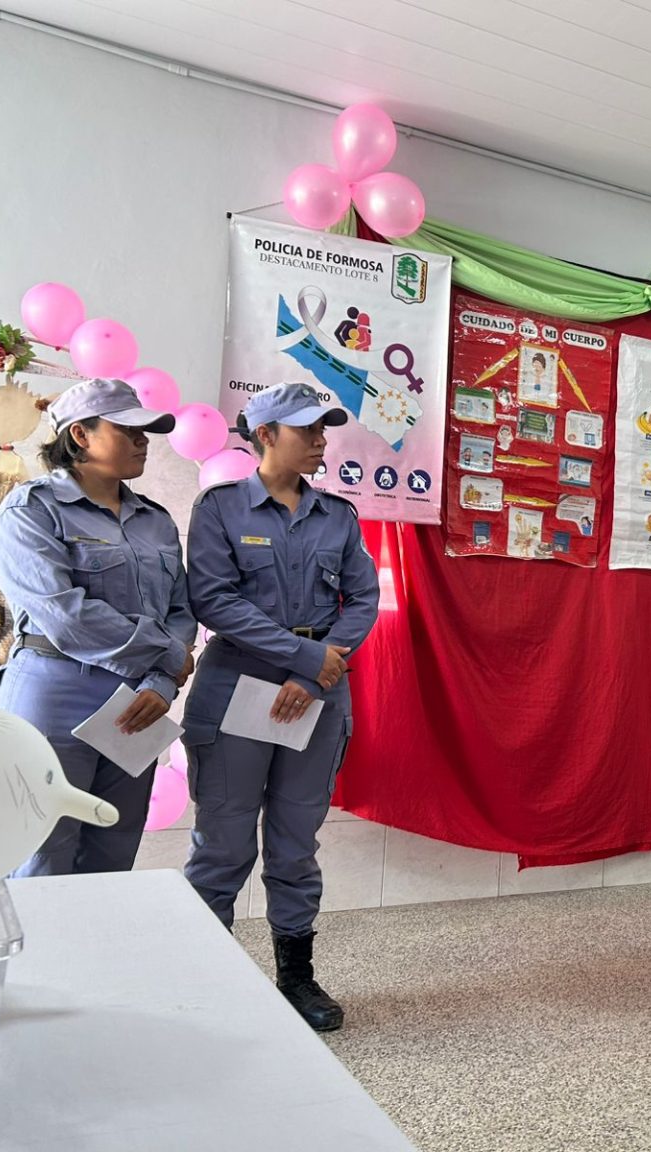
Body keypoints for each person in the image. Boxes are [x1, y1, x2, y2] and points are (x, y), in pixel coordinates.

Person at [181, 382, 380, 1032]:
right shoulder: (219, 509)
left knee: (295, 845)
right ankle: (199, 980)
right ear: (265, 435)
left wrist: (319, 673)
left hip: (318, 694)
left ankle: (297, 976)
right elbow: (213, 599)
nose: (321, 439)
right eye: (306, 429)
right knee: (224, 844)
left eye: (324, 428)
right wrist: (301, 660)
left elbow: (363, 599)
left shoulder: (339, 517)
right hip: (239, 687)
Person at [0, 378, 196, 875]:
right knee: (42, 854)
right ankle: (38, 957)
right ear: (80, 435)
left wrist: (161, 684)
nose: (145, 441)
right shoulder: (30, 511)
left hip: (137, 698)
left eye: (146, 432)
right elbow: (66, 615)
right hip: (53, 692)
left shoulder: (156, 521)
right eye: (130, 431)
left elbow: (180, 611)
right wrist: (167, 657)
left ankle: (92, 954)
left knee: (113, 849)